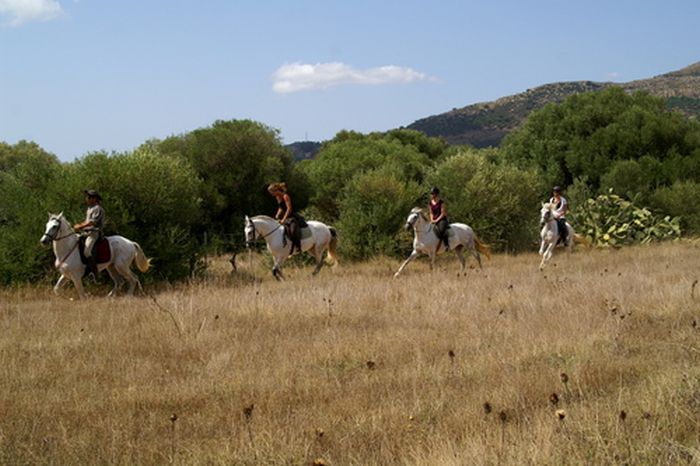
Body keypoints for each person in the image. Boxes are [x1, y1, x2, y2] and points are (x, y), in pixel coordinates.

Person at [73, 189, 105, 278]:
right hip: (86, 233)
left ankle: (94, 272)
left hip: (94, 233)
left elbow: (92, 222)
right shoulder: (89, 208)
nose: (87, 199)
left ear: (95, 199)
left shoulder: (98, 208)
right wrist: (80, 226)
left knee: (87, 252)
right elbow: (87, 221)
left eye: (90, 197)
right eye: (87, 197)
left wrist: (80, 226)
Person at [268, 182, 307, 254]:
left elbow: (289, 209)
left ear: (276, 191)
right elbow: (281, 208)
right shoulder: (278, 197)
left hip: (292, 216)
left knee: (292, 230)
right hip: (284, 216)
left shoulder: (285, 196)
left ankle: (298, 246)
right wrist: (277, 215)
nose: (272, 194)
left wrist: (283, 219)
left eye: (272, 193)